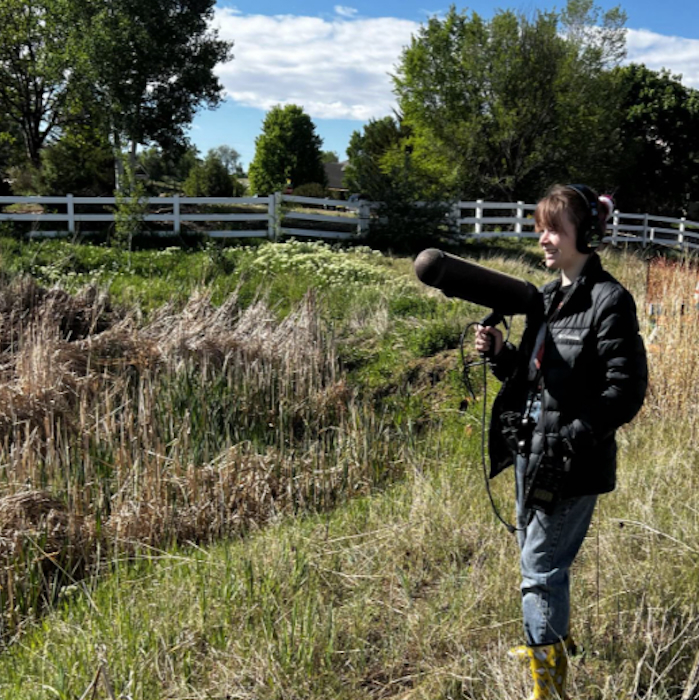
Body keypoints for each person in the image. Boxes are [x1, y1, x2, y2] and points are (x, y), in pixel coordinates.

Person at [475, 184, 648, 699]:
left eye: (554, 228)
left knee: (539, 569)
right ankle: (552, 642)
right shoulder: (547, 298)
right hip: (533, 452)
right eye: (540, 228)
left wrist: (571, 438)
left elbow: (626, 390)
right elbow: (533, 378)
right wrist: (503, 353)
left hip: (571, 460)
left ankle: (546, 682)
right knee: (542, 562)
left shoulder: (609, 300)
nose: (543, 239)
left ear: (584, 235)